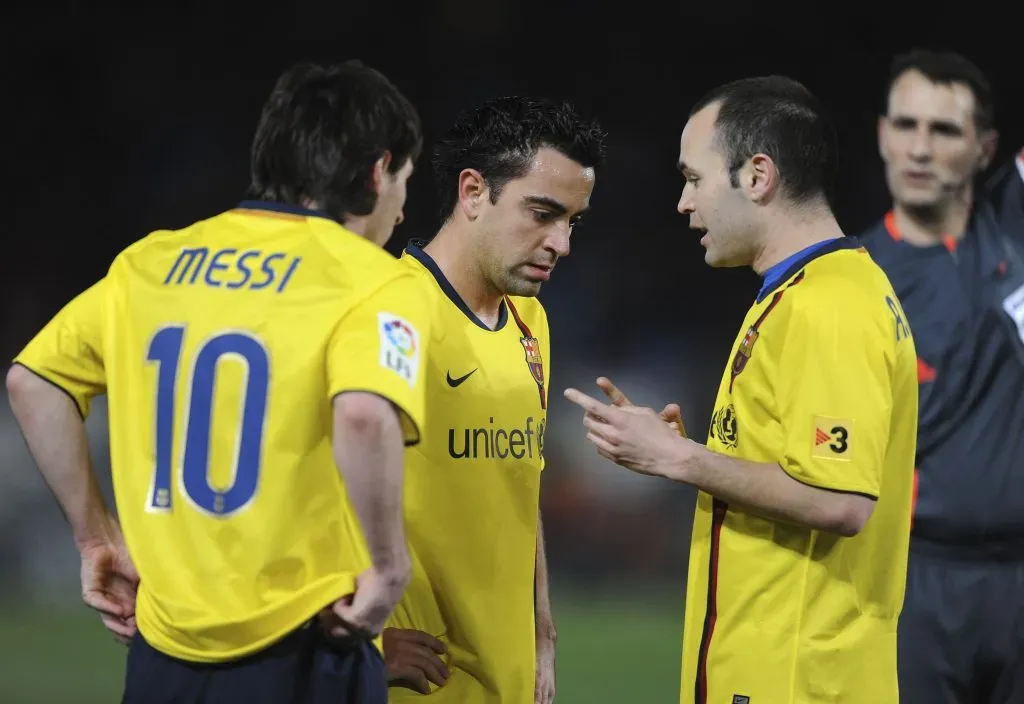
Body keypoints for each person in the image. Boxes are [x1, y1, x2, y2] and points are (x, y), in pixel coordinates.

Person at [5, 60, 432, 704]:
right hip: (305, 644)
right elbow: (365, 415)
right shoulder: (376, 279)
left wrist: (97, 537)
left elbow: (32, 384)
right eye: (404, 179)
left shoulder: (151, 263)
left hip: (162, 649)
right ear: (377, 170)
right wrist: (387, 569)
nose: (401, 209)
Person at [564, 76, 919, 704]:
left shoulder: (829, 306)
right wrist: (692, 454)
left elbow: (840, 499)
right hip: (774, 670)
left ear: (758, 176)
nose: (682, 202)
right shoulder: (805, 292)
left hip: (796, 679)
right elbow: (797, 465)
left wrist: (680, 459)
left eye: (694, 178)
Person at [379, 96, 607, 703]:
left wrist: (543, 634)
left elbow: (519, 485)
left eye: (572, 223)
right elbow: (301, 484)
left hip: (507, 680)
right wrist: (343, 643)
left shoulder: (531, 320)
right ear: (474, 192)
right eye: (542, 214)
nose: (561, 244)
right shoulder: (388, 312)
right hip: (415, 684)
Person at [860, 49, 1024, 704]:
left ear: (985, 148)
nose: (920, 148)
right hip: (914, 582)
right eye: (906, 126)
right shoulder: (853, 280)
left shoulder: (1013, 225)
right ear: (882, 135)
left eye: (945, 130)